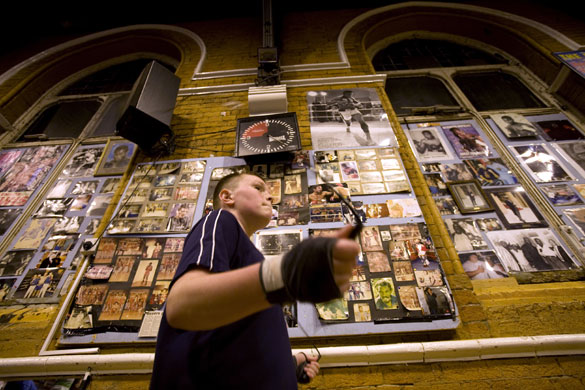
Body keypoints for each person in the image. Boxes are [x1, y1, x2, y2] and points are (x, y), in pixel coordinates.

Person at [151, 172, 360, 389]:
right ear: (227, 196)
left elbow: (238, 342)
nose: (269, 196)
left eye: (269, 192)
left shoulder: (252, 258)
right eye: (258, 188)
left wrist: (291, 364)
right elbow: (182, 307)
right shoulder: (218, 220)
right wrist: (286, 272)